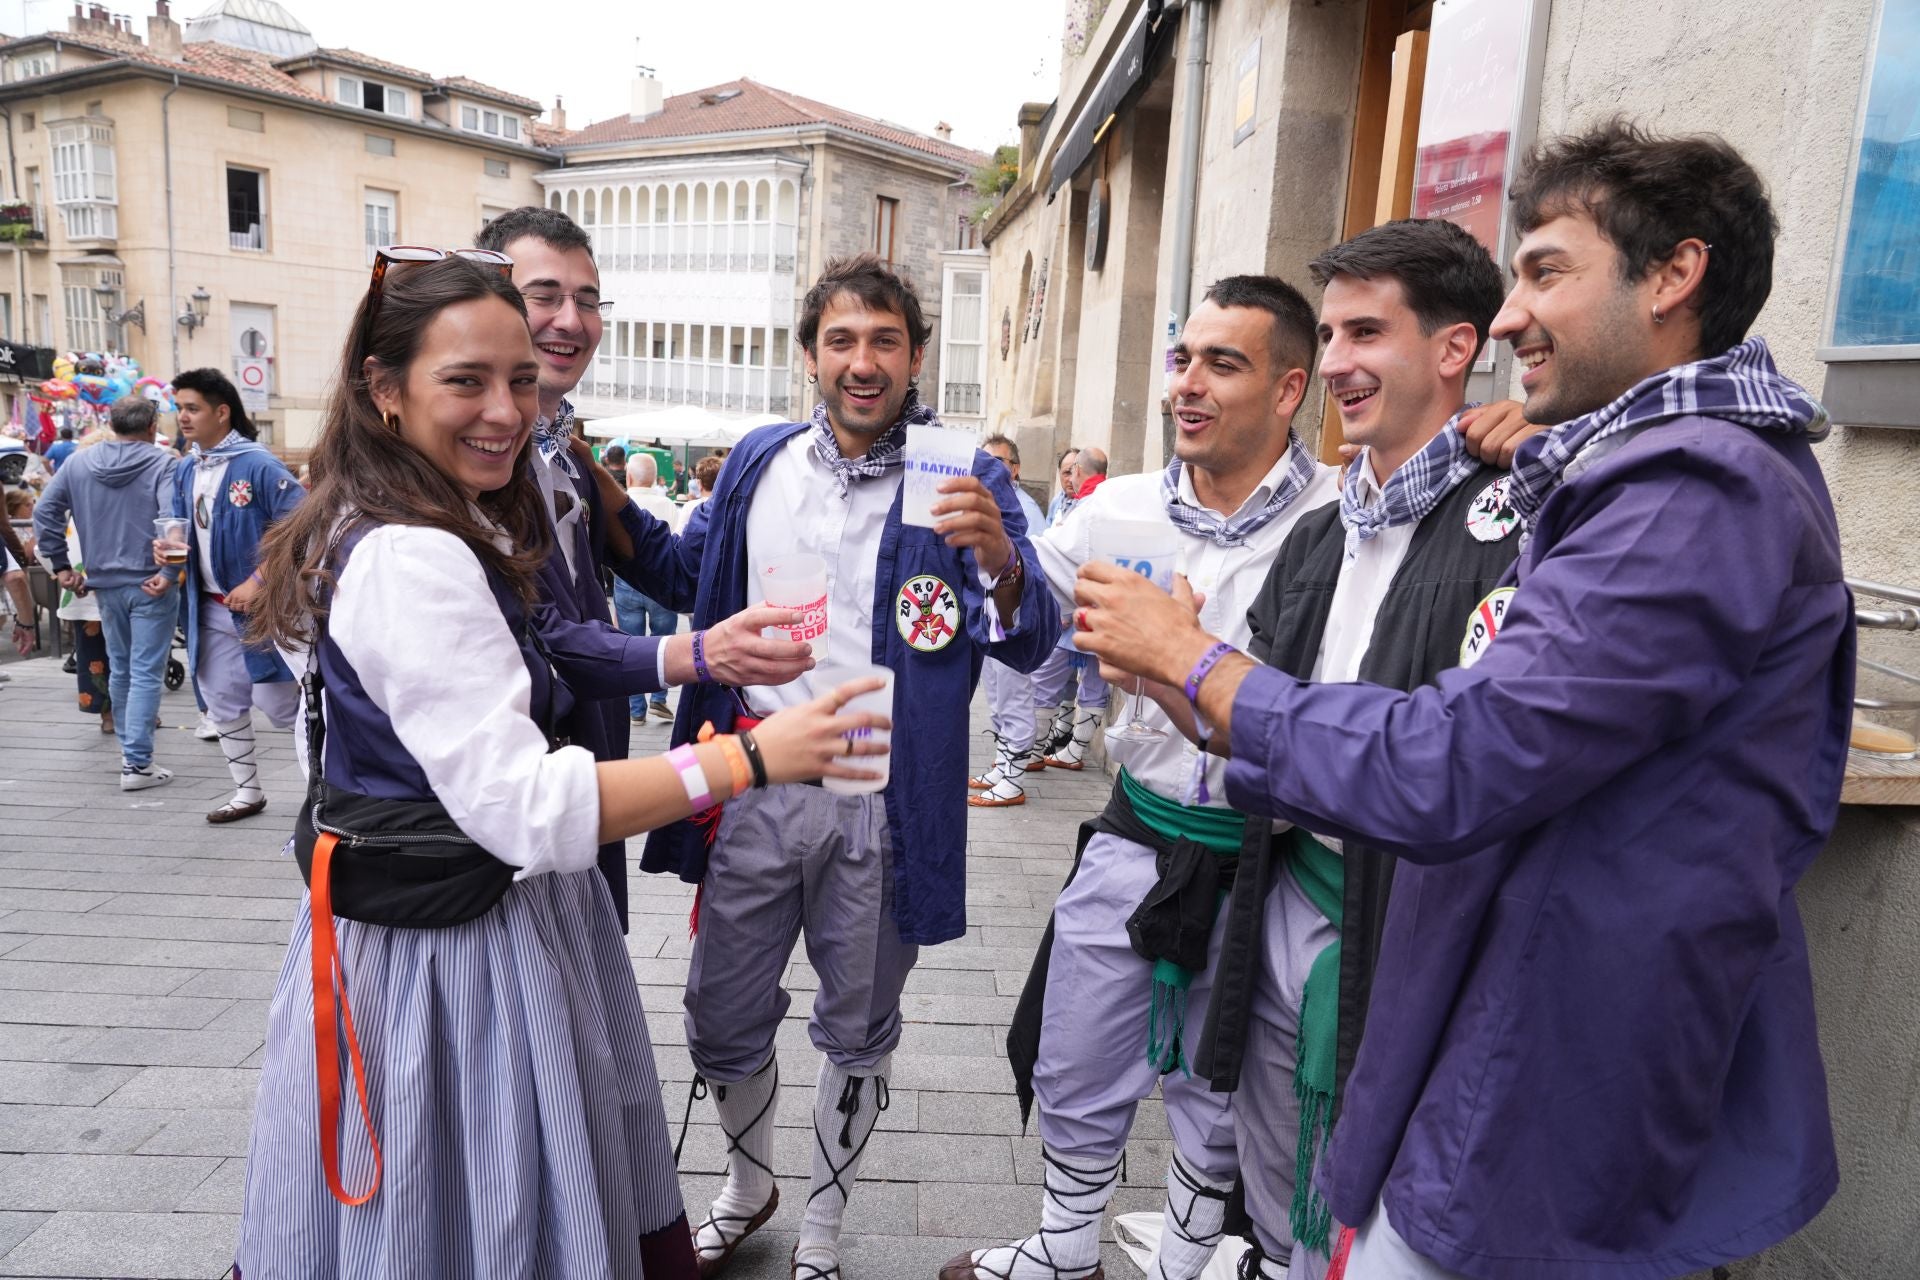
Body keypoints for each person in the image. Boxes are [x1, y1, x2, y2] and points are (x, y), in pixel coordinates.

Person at [1073, 120, 1849, 1280]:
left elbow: (1457, 757)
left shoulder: (1693, 486)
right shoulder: (1631, 471)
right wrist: (1191, 683)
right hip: (1503, 1014)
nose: (1508, 316)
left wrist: (1202, 668)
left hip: (1554, 1053)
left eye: (1545, 270)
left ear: (1676, 275)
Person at [230, 251, 888, 1280]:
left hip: (454, 914)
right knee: (487, 1200)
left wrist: (695, 651)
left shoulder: (427, 506)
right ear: (385, 388)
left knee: (463, 1197)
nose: (505, 408)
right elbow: (526, 808)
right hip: (456, 938)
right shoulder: (414, 550)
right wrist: (751, 758)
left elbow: (544, 634)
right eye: (467, 380)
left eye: (519, 378)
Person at [627, 253, 1058, 1279]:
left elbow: (1034, 638)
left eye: (885, 341)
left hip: (884, 805)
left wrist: (1000, 558)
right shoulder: (757, 459)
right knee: (719, 1013)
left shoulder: (962, 472)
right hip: (754, 782)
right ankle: (746, 1182)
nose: (863, 362)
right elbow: (686, 573)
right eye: (841, 340)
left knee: (857, 1028)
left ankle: (821, 1227)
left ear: (915, 357)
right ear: (809, 355)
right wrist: (586, 486)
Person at [946, 277, 1342, 1280]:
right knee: (1079, 1037)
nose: (1188, 385)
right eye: (1182, 360)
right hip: (1137, 826)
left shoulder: (1343, 519)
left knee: (1222, 1075)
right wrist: (1001, 563)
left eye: (1223, 363)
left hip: (1269, 856)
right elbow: (1035, 626)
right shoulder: (1113, 508)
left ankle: (1188, 1254)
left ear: (1290, 387)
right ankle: (1065, 1245)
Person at [1147, 220, 1519, 1279]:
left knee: (1382, 1207)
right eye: (1333, 332)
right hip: (1280, 889)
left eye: (1369, 331)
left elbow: (1469, 761)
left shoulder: (1516, 519)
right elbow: (1241, 720)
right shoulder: (1322, 528)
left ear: (1455, 349)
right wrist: (1164, 662)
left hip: (1408, 928)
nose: (1340, 364)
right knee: (1273, 1186)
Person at [475, 207, 813, 930]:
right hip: (508, 811)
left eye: (588, 300)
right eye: (545, 295)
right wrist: (700, 654)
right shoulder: (470, 460)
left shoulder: (568, 455)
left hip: (588, 780)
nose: (571, 319)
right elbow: (541, 633)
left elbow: (678, 574)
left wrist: (777, 483)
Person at [169, 367, 305, 823]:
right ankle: (247, 792)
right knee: (221, 699)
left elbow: (302, 529)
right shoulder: (187, 467)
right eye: (180, 408)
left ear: (221, 412)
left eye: (192, 408)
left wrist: (259, 580)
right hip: (207, 607)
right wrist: (166, 556)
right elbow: (179, 526)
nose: (182, 417)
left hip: (261, 611)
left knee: (281, 705)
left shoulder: (258, 465)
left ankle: (328, 788)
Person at [33, 395, 178, 787]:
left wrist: (62, 565)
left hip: (104, 584)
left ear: (112, 425)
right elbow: (171, 521)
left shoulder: (79, 462)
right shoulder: (163, 462)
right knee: (146, 671)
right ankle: (137, 763)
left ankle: (133, 759)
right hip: (151, 582)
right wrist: (170, 570)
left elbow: (43, 512)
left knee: (123, 668)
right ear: (152, 427)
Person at [967, 433, 1050, 808]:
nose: (991, 470)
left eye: (998, 462)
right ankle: (1003, 766)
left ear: (1014, 468)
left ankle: (1013, 777)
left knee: (1014, 692)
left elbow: (1033, 564)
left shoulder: (1022, 508)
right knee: (999, 694)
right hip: (991, 613)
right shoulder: (987, 500)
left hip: (1013, 612)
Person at [617, 453, 682, 724]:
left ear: (629, 476)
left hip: (625, 580)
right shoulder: (667, 504)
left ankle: (635, 709)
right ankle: (658, 699)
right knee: (663, 641)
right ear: (655, 478)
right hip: (661, 581)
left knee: (628, 645)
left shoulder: (618, 500)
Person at [1047, 448, 1079, 525]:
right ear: (1059, 473)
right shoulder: (1056, 501)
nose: (1071, 479)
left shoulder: (1087, 502)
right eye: (1067, 473)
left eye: (1075, 472)